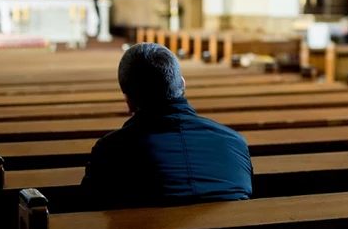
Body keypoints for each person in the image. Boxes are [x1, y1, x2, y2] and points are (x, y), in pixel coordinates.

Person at [80, 43, 253, 210]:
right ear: (182, 85)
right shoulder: (234, 142)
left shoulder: (109, 151)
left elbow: (89, 209)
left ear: (129, 102)